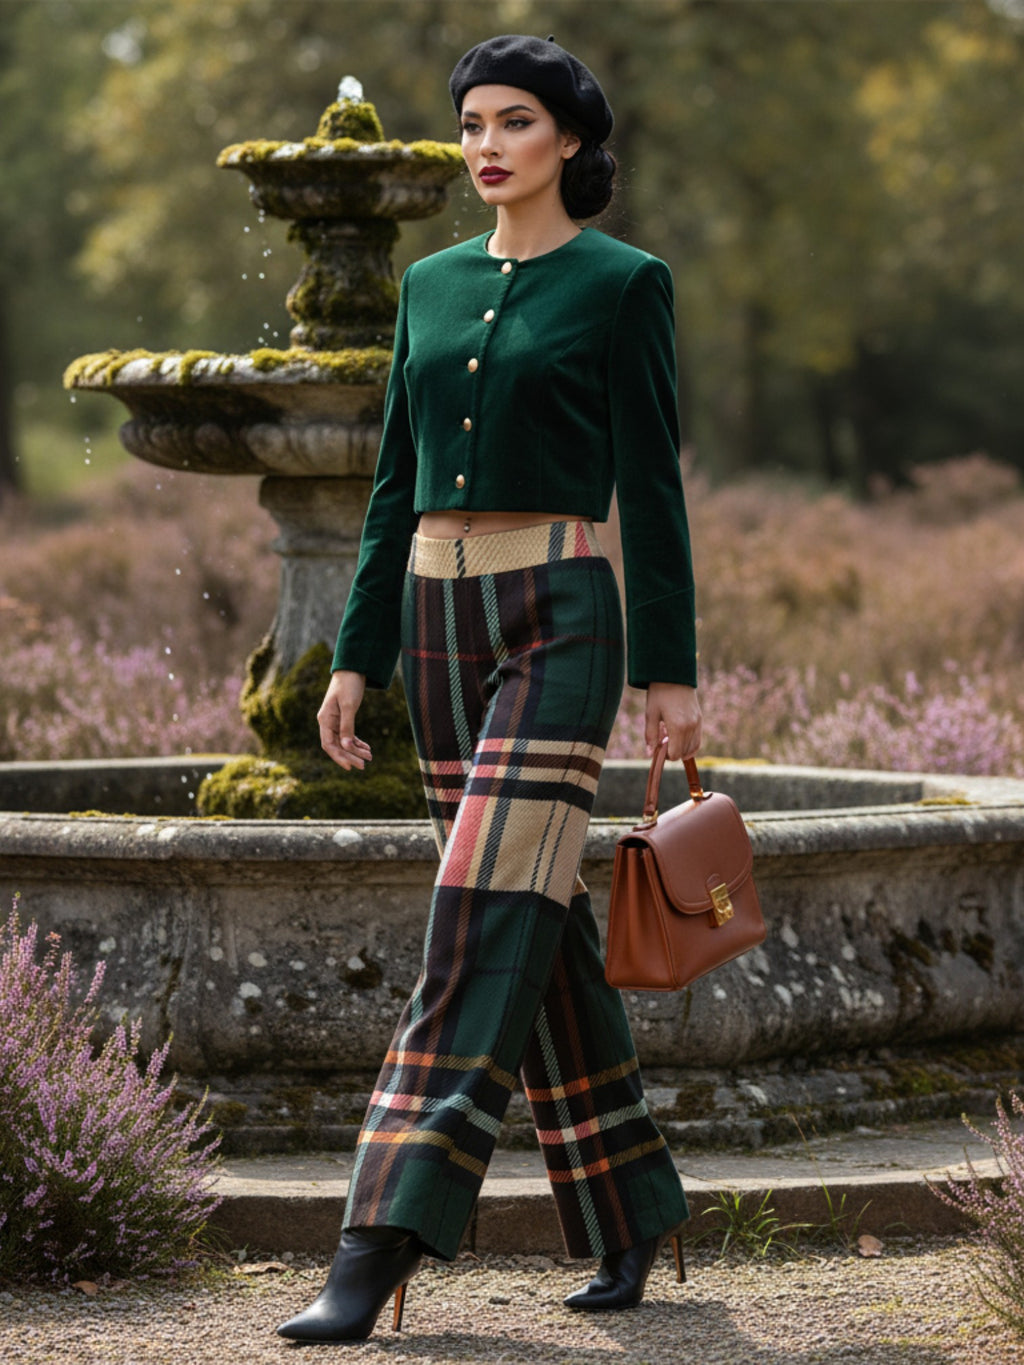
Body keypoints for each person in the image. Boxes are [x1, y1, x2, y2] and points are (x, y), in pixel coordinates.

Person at [277, 33, 702, 1344]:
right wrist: (356, 652)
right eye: (470, 124)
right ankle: (634, 1199)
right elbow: (393, 482)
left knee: (469, 917)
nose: (483, 145)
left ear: (569, 140)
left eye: (513, 121)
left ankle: (379, 1234)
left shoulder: (625, 285)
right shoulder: (430, 284)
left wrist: (669, 666)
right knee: (531, 914)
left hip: (562, 617)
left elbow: (653, 485)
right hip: (434, 617)